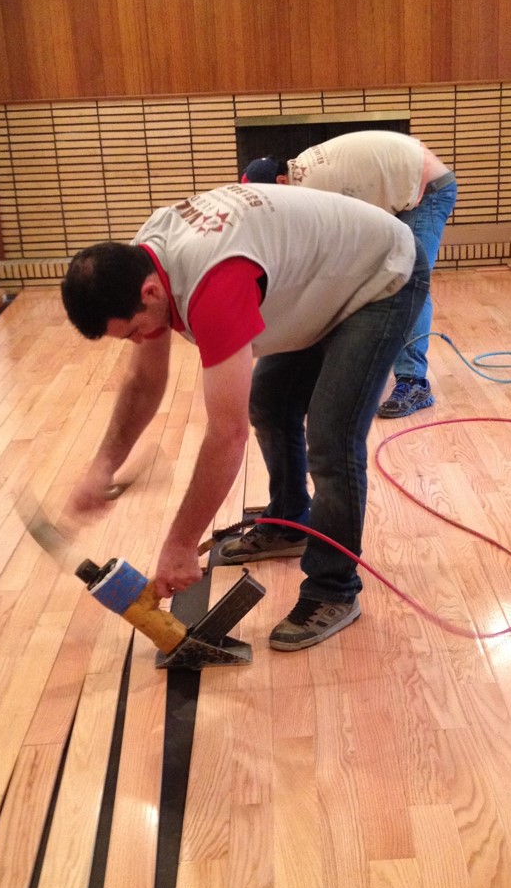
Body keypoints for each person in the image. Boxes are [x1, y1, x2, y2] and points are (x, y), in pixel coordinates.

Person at [61, 182, 431, 651]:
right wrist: (103, 466)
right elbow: (143, 382)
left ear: (150, 292)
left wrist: (180, 543)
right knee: (270, 403)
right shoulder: (144, 261)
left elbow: (226, 435)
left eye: (135, 330)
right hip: (328, 274)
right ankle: (287, 521)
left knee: (332, 437)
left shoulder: (212, 282)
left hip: (381, 274)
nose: (140, 342)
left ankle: (334, 590)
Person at [241, 129, 457, 418]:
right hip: (404, 180)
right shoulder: (302, 173)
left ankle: (414, 382)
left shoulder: (313, 192)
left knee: (409, 281)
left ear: (281, 182)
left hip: (428, 189)